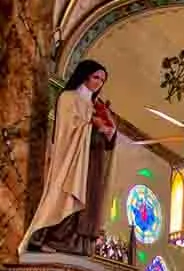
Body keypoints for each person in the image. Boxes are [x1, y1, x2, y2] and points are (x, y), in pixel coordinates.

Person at [21, 59, 117, 255]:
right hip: (73, 159)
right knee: (66, 195)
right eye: (96, 77)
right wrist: (92, 125)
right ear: (84, 75)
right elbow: (67, 129)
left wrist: (109, 132)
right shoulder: (69, 97)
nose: (99, 82)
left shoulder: (95, 105)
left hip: (92, 160)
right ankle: (51, 239)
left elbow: (106, 136)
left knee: (89, 200)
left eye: (102, 80)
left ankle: (77, 245)